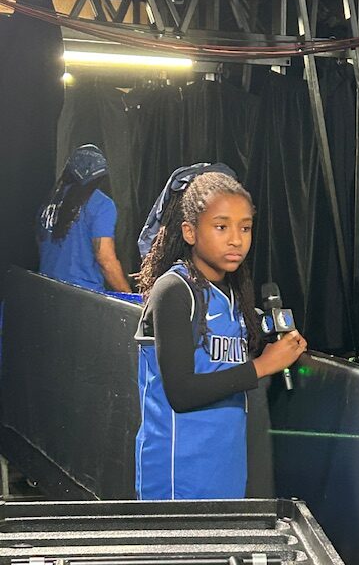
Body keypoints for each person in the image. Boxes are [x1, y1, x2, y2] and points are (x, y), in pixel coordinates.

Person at [134, 162, 307, 500]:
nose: (235, 240)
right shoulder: (173, 290)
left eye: (245, 228)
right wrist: (264, 365)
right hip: (177, 475)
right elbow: (181, 394)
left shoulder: (233, 296)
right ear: (190, 232)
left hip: (225, 468)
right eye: (221, 227)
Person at [37, 144, 130, 293]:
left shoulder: (50, 202)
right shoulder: (102, 204)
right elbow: (105, 260)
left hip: (46, 291)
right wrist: (131, 299)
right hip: (82, 298)